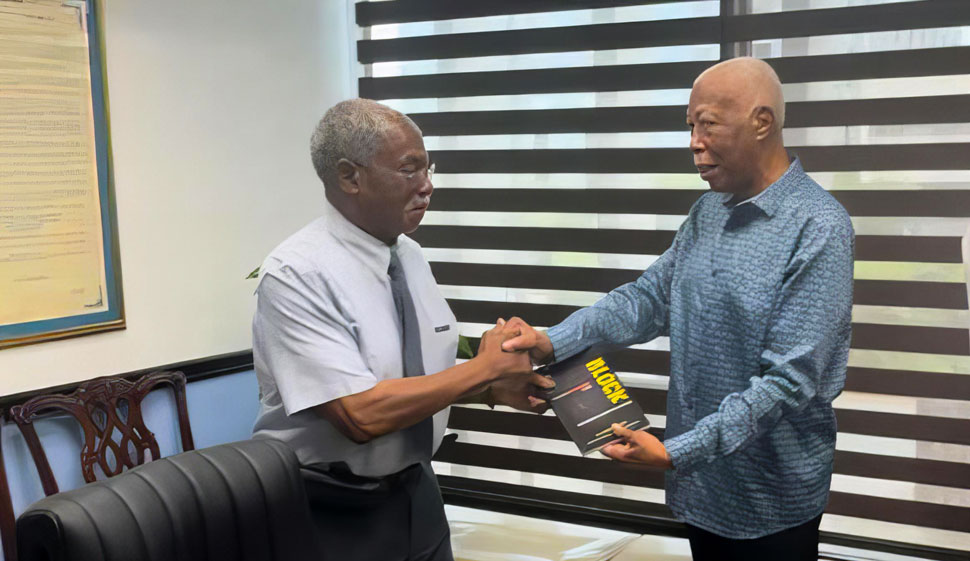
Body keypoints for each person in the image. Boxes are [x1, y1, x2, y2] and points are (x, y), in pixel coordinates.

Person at [503, 57, 854, 561]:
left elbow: (789, 382)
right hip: (700, 489)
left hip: (770, 504)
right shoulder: (707, 211)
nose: (693, 142)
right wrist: (554, 338)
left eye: (707, 124)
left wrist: (676, 452)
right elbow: (649, 298)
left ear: (762, 122)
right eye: (690, 126)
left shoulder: (819, 227)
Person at [251, 98, 551, 561]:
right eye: (410, 170)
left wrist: (491, 391)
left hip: (416, 490)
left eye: (429, 169)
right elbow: (359, 414)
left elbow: (412, 376)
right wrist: (484, 368)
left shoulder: (407, 256)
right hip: (330, 505)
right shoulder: (296, 274)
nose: (427, 186)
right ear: (350, 177)